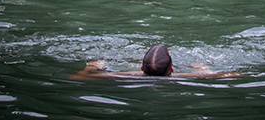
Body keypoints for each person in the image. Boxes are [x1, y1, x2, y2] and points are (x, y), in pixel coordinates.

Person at [71, 43, 239, 81]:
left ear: (140, 66)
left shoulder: (122, 76)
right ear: (172, 68)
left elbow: (75, 78)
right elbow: (233, 75)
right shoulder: (186, 77)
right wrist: (204, 69)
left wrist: (92, 67)